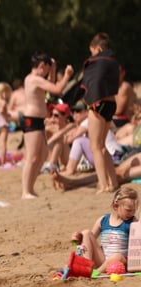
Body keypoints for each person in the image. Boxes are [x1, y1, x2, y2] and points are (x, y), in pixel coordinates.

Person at [20, 51, 74, 198]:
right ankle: (26, 191)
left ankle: (30, 188)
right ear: (42, 66)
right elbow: (57, 90)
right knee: (32, 157)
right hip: (31, 120)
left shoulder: (36, 79)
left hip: (37, 120)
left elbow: (49, 86)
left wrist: (54, 69)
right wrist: (67, 75)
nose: (47, 73)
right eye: (47, 70)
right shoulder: (33, 79)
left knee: (43, 154)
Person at [80, 33, 121, 194]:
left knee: (95, 146)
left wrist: (89, 100)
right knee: (102, 146)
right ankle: (113, 182)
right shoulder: (113, 62)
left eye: (92, 52)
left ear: (98, 48)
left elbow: (92, 83)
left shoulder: (97, 62)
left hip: (98, 104)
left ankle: (103, 185)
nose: (92, 56)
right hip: (111, 103)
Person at [70, 186, 138, 272]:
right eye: (128, 210)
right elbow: (89, 240)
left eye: (134, 210)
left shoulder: (133, 222)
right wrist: (79, 238)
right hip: (102, 260)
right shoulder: (103, 220)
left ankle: (96, 272)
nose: (132, 213)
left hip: (120, 261)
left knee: (117, 256)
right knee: (86, 233)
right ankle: (86, 267)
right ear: (116, 206)